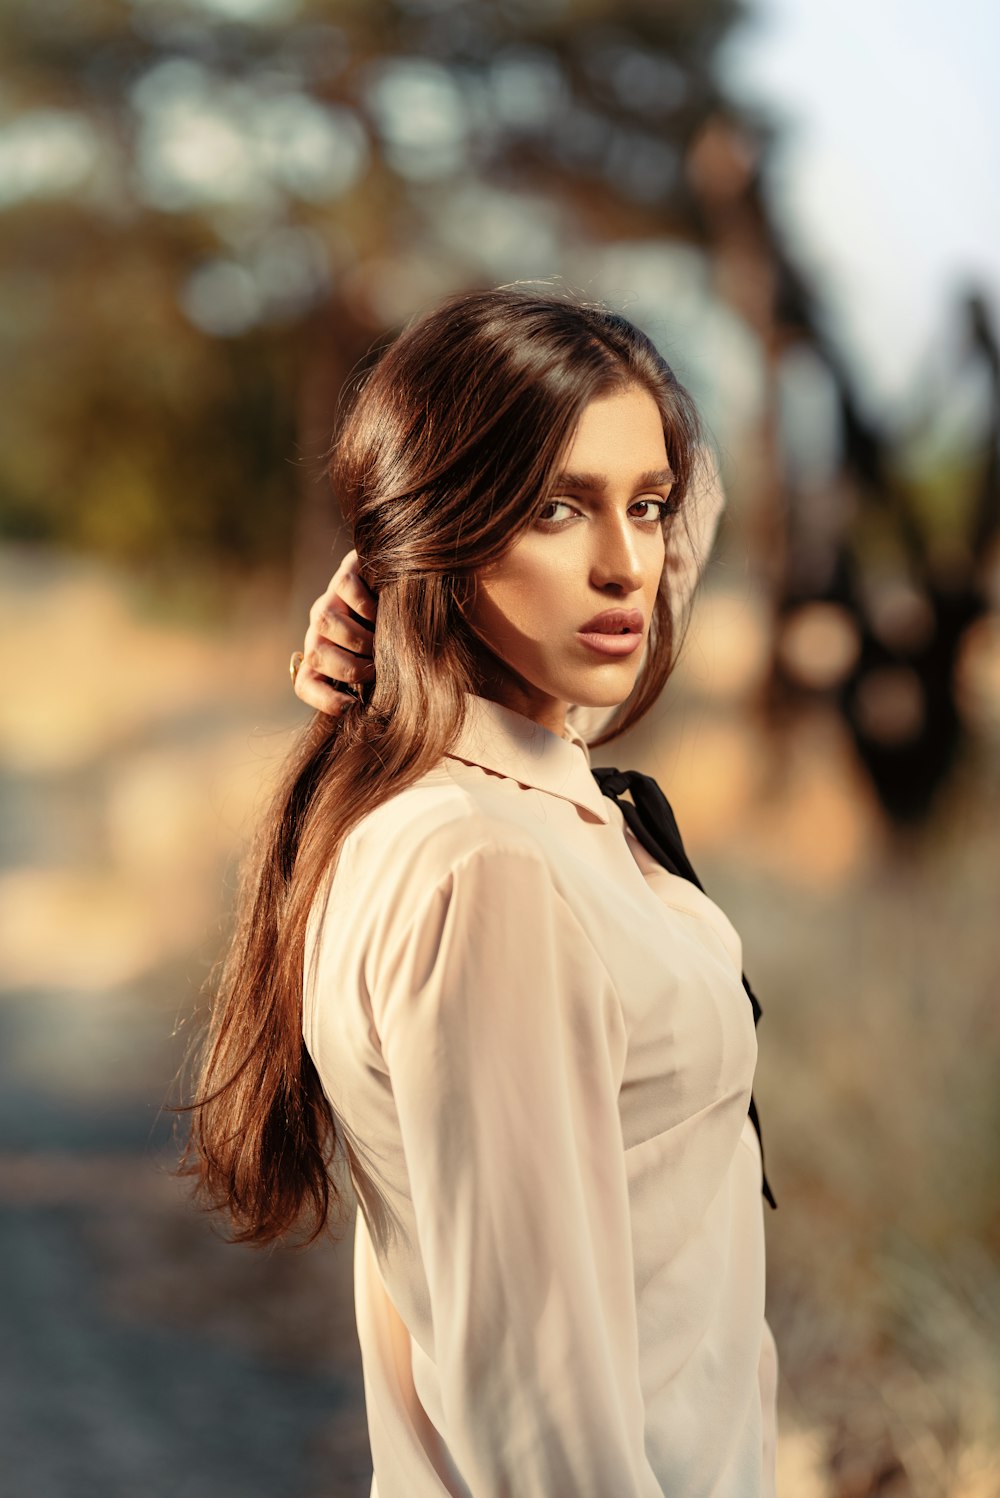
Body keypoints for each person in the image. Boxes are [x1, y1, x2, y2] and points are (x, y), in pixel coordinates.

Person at [183, 287, 779, 1497]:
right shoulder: (485, 864)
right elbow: (536, 1400)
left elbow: (692, 489)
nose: (626, 564)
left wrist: (388, 572)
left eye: (644, 506)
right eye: (556, 507)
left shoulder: (489, 773)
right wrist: (397, 553)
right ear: (451, 525)